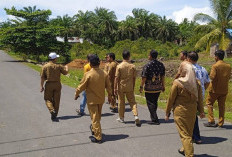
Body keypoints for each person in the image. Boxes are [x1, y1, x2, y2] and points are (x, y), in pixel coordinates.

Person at [165, 61, 205, 157]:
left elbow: (171, 99)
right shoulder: (197, 82)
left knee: (184, 134)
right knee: (189, 133)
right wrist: (201, 111)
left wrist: (167, 112)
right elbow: (199, 99)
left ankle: (189, 154)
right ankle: (184, 149)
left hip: (180, 111)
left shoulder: (177, 83)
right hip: (192, 111)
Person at [74, 54, 112, 144]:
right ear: (99, 63)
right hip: (101, 99)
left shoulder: (88, 74)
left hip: (91, 100)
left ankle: (98, 137)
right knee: (97, 116)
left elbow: (81, 86)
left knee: (95, 118)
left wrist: (76, 94)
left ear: (90, 64)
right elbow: (109, 87)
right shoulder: (104, 74)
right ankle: (95, 129)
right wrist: (110, 96)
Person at [204, 50, 231, 128]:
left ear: (217, 57)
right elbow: (228, 77)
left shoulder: (215, 66)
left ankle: (211, 120)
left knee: (209, 103)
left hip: (214, 89)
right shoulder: (228, 66)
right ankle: (221, 122)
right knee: (221, 106)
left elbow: (212, 77)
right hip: (224, 89)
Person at [187, 51, 210, 144]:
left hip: (190, 96)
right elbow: (207, 82)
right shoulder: (203, 69)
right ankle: (193, 135)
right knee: (194, 115)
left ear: (189, 59)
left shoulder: (189, 69)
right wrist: (202, 91)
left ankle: (195, 136)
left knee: (191, 116)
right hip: (200, 96)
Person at [114, 50, 141, 127]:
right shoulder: (132, 66)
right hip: (129, 86)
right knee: (132, 102)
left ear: (122, 56)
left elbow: (116, 78)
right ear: (129, 56)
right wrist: (133, 86)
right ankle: (136, 116)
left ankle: (121, 117)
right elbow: (134, 78)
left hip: (121, 86)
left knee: (121, 102)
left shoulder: (119, 66)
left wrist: (115, 88)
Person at [40, 52, 69, 122]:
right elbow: (65, 73)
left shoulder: (45, 66)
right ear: (55, 58)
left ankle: (52, 110)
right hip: (57, 84)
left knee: (47, 99)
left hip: (49, 84)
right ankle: (55, 114)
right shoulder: (59, 66)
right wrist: (67, 67)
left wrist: (41, 86)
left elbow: (42, 77)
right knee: (57, 100)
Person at [140, 50, 165, 125]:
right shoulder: (161, 64)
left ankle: (155, 119)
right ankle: (153, 116)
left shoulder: (147, 65)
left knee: (150, 103)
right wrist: (163, 85)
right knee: (155, 101)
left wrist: (141, 86)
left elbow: (144, 77)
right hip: (158, 86)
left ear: (150, 56)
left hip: (149, 87)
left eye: (148, 55)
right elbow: (162, 76)